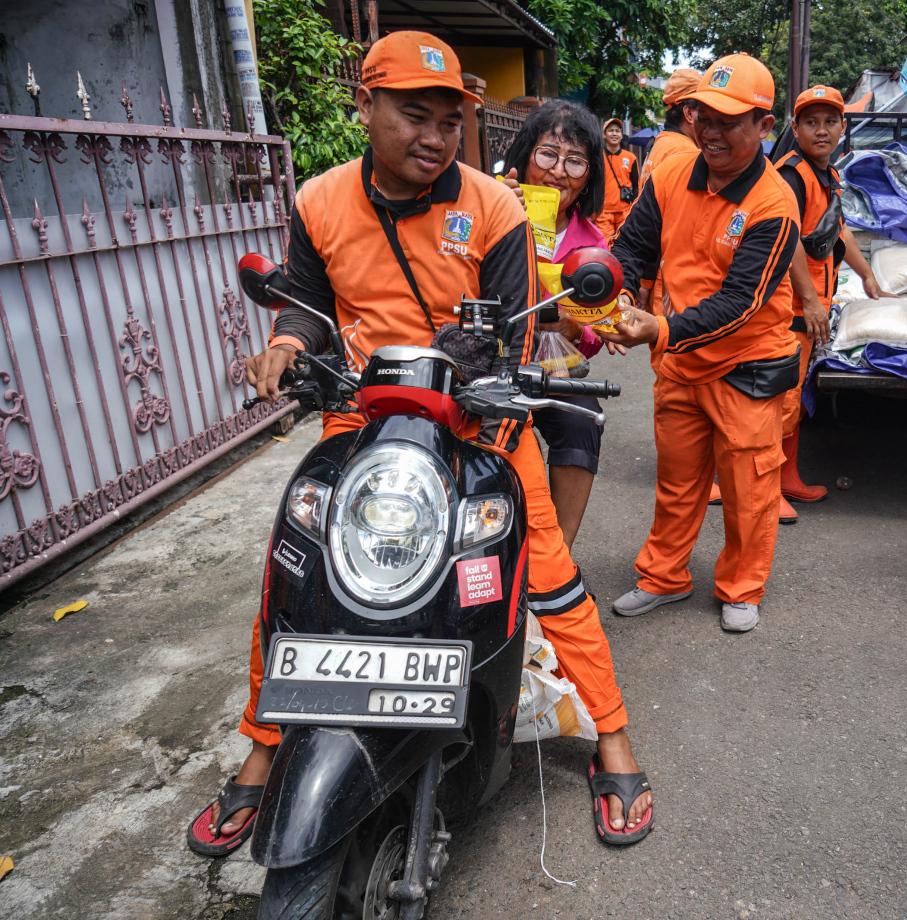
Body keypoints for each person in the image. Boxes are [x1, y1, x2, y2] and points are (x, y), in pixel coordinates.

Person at [185, 32, 653, 857]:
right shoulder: (319, 202)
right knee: (296, 573)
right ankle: (263, 747)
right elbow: (303, 304)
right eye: (413, 115)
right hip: (360, 418)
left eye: (448, 120)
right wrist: (289, 347)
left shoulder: (498, 208)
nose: (434, 137)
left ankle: (611, 734)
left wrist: (464, 357)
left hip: (480, 419)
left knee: (548, 571)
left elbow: (509, 341)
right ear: (364, 108)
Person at [597, 53, 801, 634]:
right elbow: (633, 246)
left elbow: (742, 302)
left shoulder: (773, 204)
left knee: (748, 490)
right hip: (682, 364)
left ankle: (741, 585)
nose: (710, 131)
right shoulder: (669, 178)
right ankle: (664, 577)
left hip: (745, 366)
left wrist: (657, 328)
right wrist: (623, 295)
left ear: (763, 125)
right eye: (700, 116)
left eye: (727, 121)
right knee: (678, 480)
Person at [502, 100, 622, 547]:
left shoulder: (591, 240)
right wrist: (501, 213)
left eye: (575, 161)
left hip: (548, 367)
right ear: (525, 155)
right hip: (484, 358)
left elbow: (590, 333)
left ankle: (558, 555)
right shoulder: (492, 201)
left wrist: (581, 328)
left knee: (583, 419)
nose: (559, 171)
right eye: (548, 154)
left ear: (589, 174)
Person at [774, 84, 891, 518]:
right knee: (780, 401)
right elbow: (788, 242)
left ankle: (788, 478)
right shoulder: (791, 175)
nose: (821, 131)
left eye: (829, 122)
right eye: (811, 122)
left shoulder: (827, 174)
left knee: (795, 398)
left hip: (807, 309)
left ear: (843, 126)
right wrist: (809, 301)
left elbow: (836, 230)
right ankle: (765, 491)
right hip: (787, 310)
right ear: (795, 127)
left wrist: (867, 276)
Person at [637, 68, 700, 315]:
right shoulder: (686, 154)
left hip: (656, 270)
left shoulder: (661, 145)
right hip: (671, 273)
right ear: (690, 113)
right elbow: (664, 223)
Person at [594, 117, 640, 243]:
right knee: (605, 245)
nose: (614, 133)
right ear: (604, 135)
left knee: (625, 244)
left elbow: (637, 186)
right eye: (610, 131)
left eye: (617, 131)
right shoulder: (598, 158)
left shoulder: (631, 158)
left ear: (621, 135)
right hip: (604, 212)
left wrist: (635, 210)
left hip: (625, 211)